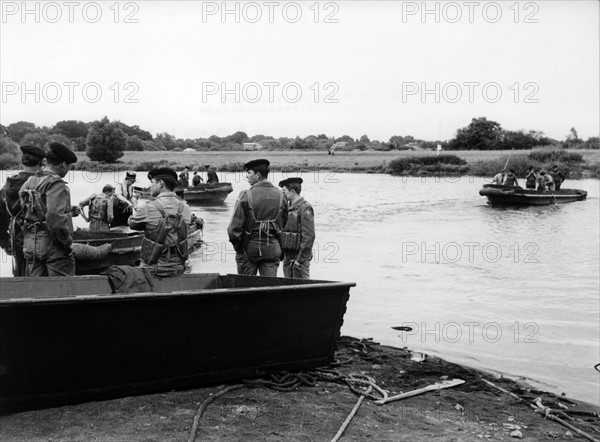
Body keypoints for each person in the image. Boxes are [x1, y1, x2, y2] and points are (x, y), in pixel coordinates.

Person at [19, 142, 80, 277]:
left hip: (30, 243)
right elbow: (54, 217)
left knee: (36, 292)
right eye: (69, 166)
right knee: (63, 291)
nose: (68, 170)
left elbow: (21, 209)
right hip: (53, 245)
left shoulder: (31, 180)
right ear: (63, 164)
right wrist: (66, 242)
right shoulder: (56, 183)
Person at [227, 159, 288, 277]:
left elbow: (233, 229)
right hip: (273, 246)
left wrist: (240, 248)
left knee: (246, 288)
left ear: (258, 175)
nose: (247, 176)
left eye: (249, 173)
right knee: (269, 289)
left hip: (249, 246)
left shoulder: (246, 195)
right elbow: (284, 221)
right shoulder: (282, 195)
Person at [128, 168, 191, 277]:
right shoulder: (185, 207)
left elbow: (132, 224)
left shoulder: (148, 207)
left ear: (160, 183)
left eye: (152, 182)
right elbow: (186, 228)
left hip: (151, 268)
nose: (150, 186)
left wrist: (135, 205)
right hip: (177, 267)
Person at [0, 145, 46, 276]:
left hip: (16, 241)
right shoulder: (43, 185)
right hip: (41, 244)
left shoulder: (7, 186)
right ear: (42, 163)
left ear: (22, 161)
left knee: (19, 276)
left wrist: (4, 242)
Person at [278, 177, 315, 279]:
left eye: (284, 191)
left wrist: (300, 260)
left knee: (302, 290)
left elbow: (309, 236)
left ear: (292, 191)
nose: (282, 194)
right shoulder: (286, 207)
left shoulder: (305, 207)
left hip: (300, 259)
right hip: (287, 257)